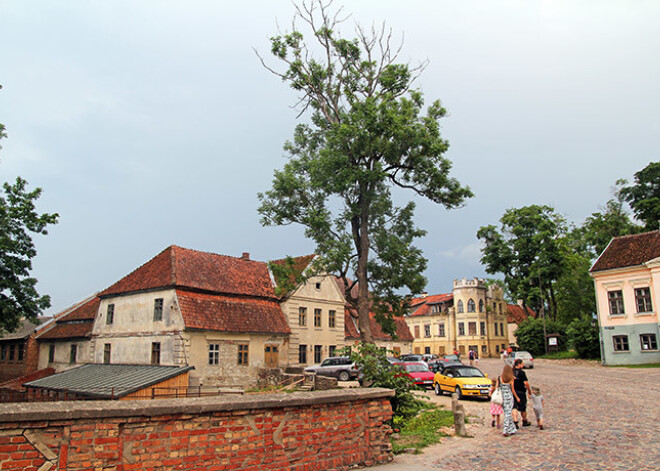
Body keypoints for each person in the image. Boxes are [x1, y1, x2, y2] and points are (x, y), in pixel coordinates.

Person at [499, 364, 519, 437]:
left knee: (507, 412)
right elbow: (512, 390)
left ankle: (512, 428)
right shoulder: (511, 379)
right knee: (508, 413)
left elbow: (497, 387)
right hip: (509, 397)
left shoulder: (500, 378)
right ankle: (506, 429)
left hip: (502, 397)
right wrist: (517, 397)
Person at [513, 358, 532, 427]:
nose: (523, 365)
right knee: (523, 407)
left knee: (514, 407)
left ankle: (515, 421)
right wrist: (529, 391)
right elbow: (526, 383)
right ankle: (524, 420)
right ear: (519, 364)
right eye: (522, 363)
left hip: (513, 391)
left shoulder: (512, 372)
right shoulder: (522, 373)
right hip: (521, 391)